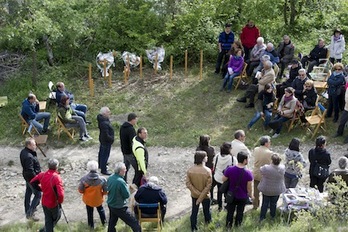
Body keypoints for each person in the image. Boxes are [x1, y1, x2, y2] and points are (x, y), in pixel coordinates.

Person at [30, 159, 64, 232]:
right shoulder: (56, 177)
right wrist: (60, 201)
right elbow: (60, 194)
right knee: (57, 216)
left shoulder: (42, 174)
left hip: (44, 202)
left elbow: (32, 182)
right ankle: (45, 230)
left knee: (48, 219)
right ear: (56, 167)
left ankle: (45, 230)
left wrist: (40, 189)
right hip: (53, 203)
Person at [107, 162, 141, 232]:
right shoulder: (121, 182)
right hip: (120, 207)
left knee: (112, 223)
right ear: (120, 171)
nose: (125, 171)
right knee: (134, 223)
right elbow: (126, 195)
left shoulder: (110, 177)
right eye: (124, 170)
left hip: (111, 204)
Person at [222, 151, 253, 228]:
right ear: (245, 160)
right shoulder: (248, 173)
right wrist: (251, 196)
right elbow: (249, 188)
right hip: (242, 196)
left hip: (231, 195)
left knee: (230, 212)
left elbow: (223, 179)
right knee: (240, 212)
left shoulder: (230, 169)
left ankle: (228, 226)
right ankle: (237, 226)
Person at [186, 151, 212, 232]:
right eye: (206, 156)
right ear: (203, 159)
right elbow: (208, 186)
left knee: (194, 211)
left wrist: (197, 194)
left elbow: (188, 184)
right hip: (206, 195)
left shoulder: (190, 170)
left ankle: (193, 228)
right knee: (207, 211)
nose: (207, 157)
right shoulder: (207, 170)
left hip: (194, 195)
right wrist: (201, 196)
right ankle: (208, 226)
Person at [78, 160, 107, 229]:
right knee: (101, 210)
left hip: (88, 200)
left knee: (89, 213)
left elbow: (80, 190)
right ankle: (105, 224)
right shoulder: (102, 179)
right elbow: (106, 191)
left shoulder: (83, 179)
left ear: (88, 168)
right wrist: (102, 194)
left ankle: (91, 227)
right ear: (97, 168)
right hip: (98, 199)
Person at [258, 153, 286, 221]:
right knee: (274, 204)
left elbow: (260, 170)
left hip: (266, 189)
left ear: (272, 160)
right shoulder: (282, 168)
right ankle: (272, 217)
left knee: (265, 203)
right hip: (277, 189)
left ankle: (262, 217)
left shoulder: (266, 168)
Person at [20, 137, 41, 221]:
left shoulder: (23, 152)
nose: (35, 145)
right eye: (33, 144)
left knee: (28, 193)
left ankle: (27, 209)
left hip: (26, 177)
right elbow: (30, 170)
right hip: (32, 178)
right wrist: (37, 179)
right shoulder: (29, 156)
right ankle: (30, 213)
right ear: (29, 145)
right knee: (38, 195)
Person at [213, 142, 236, 211]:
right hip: (227, 179)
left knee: (219, 192)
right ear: (229, 150)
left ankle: (219, 206)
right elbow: (235, 168)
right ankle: (227, 205)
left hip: (218, 177)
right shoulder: (232, 158)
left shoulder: (217, 156)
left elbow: (214, 166)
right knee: (227, 192)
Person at [252, 136, 273, 209]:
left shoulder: (256, 149)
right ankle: (265, 206)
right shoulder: (270, 153)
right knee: (265, 192)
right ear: (266, 143)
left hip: (256, 173)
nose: (270, 143)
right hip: (265, 175)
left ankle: (255, 205)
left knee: (256, 191)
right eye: (269, 142)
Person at [196, 135, 216, 204]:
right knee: (210, 184)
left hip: (200, 168)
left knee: (201, 184)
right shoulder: (211, 149)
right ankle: (211, 198)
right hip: (210, 168)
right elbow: (213, 157)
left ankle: (200, 196)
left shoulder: (198, 149)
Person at [120, 112, 138, 183]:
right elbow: (133, 141)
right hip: (130, 152)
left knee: (125, 167)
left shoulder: (122, 127)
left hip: (124, 150)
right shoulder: (131, 129)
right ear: (132, 120)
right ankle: (136, 182)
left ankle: (123, 181)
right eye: (136, 119)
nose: (136, 121)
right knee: (137, 168)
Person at [97, 106, 114, 175]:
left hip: (103, 139)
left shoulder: (102, 120)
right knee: (105, 154)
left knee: (101, 153)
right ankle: (103, 169)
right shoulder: (104, 123)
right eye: (108, 112)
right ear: (104, 113)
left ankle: (101, 164)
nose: (109, 113)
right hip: (106, 141)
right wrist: (111, 139)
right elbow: (106, 134)